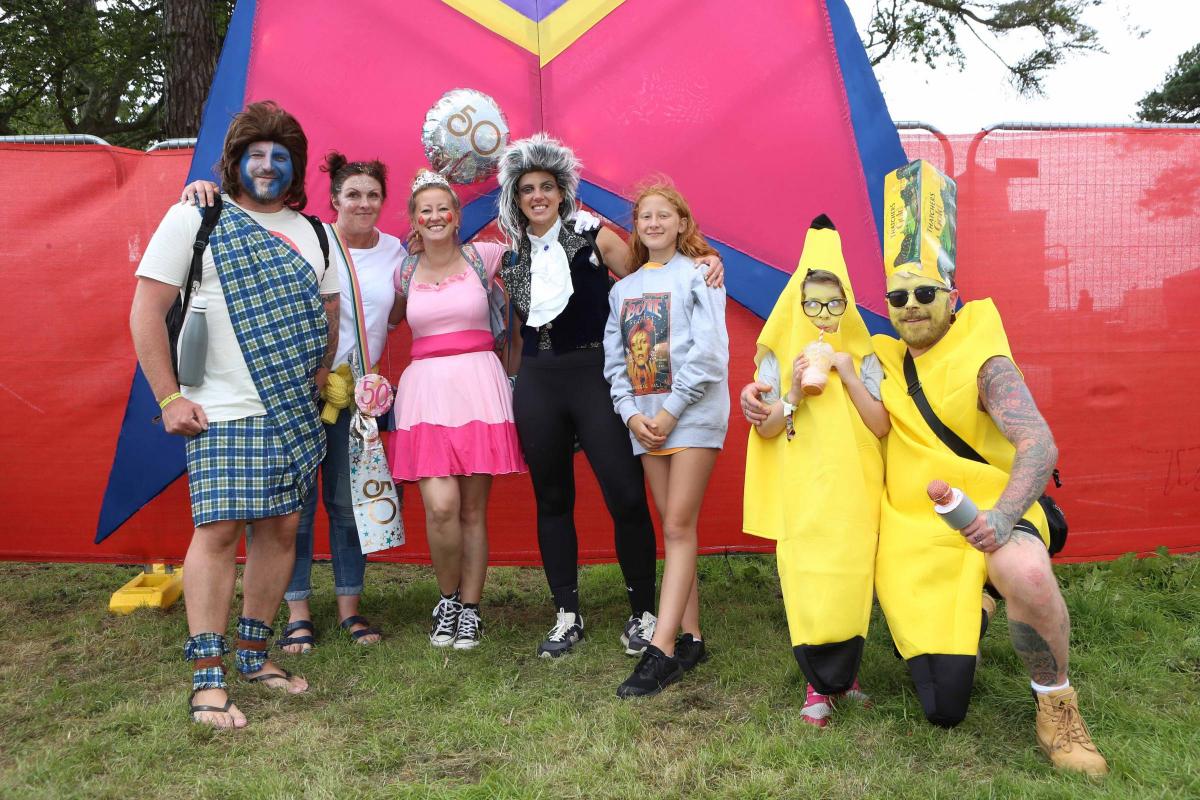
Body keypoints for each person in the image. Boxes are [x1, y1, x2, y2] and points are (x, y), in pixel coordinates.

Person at [129, 101, 338, 728]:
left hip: (293, 410)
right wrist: (168, 398)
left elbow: (327, 314)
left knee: (280, 530)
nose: (268, 166)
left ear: (294, 165)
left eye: (280, 156)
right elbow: (145, 312)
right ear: (236, 160)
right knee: (219, 533)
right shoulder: (196, 217)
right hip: (218, 410)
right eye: (256, 154)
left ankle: (254, 656)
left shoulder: (316, 232)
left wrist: (322, 375)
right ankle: (207, 677)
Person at [872, 238, 1106, 773]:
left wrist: (1002, 517)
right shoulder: (879, 360)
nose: (911, 304)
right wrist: (762, 398)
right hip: (921, 530)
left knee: (1023, 569)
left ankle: (1057, 706)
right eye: (898, 295)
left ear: (952, 298)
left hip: (1000, 509)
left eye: (925, 292)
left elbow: (1039, 444)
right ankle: (977, 602)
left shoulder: (984, 359)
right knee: (944, 708)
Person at [495, 134, 724, 659]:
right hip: (538, 380)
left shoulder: (595, 237)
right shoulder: (507, 256)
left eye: (546, 187)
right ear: (516, 197)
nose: (537, 196)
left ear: (561, 192)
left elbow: (647, 272)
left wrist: (708, 262)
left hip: (596, 376)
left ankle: (644, 611)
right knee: (552, 499)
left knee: (625, 494)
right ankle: (566, 614)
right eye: (527, 188)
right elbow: (506, 327)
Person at [181, 152, 403, 653]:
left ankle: (350, 608)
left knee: (349, 508)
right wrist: (203, 187)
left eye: (372, 195)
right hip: (299, 388)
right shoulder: (309, 237)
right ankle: (297, 612)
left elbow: (401, 310)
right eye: (353, 194)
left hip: (355, 397)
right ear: (334, 200)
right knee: (291, 511)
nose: (363, 203)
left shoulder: (396, 252)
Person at [739, 215, 886, 727]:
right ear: (798, 300)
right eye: (813, 302)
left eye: (833, 302)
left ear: (845, 301)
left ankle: (848, 677)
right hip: (801, 487)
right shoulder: (779, 355)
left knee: (850, 574)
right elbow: (767, 429)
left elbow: (882, 424)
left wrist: (847, 372)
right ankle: (816, 684)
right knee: (806, 578)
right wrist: (796, 390)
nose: (823, 312)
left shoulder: (865, 352)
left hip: (853, 487)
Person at [387, 170, 526, 650]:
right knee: (440, 506)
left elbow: (541, 255)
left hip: (478, 387)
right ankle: (445, 599)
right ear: (414, 221)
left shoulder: (483, 256)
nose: (434, 216)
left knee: (471, 510)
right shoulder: (402, 271)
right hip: (425, 391)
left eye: (442, 207)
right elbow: (377, 315)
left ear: (457, 215)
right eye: (424, 209)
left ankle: (469, 609)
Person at [603, 181, 728, 697]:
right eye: (645, 216)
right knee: (677, 528)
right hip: (647, 425)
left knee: (676, 527)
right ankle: (693, 635)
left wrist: (672, 410)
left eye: (664, 215)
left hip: (691, 418)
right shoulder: (622, 290)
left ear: (682, 223)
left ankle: (663, 650)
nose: (653, 223)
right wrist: (632, 415)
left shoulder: (701, 276)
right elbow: (615, 363)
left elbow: (711, 352)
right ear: (637, 227)